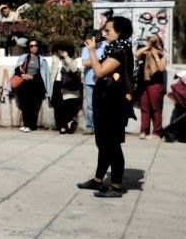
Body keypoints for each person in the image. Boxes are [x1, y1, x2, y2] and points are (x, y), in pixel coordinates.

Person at [77, 16, 135, 198]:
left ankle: (116, 185)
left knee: (113, 144)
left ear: (119, 33)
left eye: (108, 30)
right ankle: (98, 179)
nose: (105, 33)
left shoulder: (121, 50)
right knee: (103, 143)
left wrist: (92, 53)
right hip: (105, 101)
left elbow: (100, 71)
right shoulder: (114, 48)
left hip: (114, 104)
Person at [12, 38, 49, 132]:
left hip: (36, 84)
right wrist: (23, 75)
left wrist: (32, 77)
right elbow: (17, 70)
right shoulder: (23, 57)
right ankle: (26, 124)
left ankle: (31, 125)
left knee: (33, 106)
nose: (33, 47)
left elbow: (43, 74)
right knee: (24, 105)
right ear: (28, 47)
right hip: (23, 84)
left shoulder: (42, 60)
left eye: (35, 45)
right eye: (31, 46)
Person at [135, 34, 167, 139]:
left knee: (156, 109)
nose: (152, 43)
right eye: (150, 41)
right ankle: (144, 130)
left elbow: (161, 68)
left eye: (154, 41)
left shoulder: (161, 54)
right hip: (144, 83)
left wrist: (156, 56)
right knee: (144, 108)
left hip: (156, 84)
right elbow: (136, 54)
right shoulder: (145, 52)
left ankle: (157, 132)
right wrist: (147, 47)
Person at [48, 39, 83, 134]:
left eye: (62, 50)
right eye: (59, 50)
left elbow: (74, 69)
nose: (60, 52)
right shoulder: (55, 58)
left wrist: (67, 58)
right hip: (56, 83)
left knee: (67, 105)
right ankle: (61, 126)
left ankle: (68, 123)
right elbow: (52, 72)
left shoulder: (72, 58)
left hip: (67, 85)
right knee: (57, 106)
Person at [80, 34, 105, 133]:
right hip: (89, 80)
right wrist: (97, 60)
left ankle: (101, 127)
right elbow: (84, 63)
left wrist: (92, 60)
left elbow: (106, 61)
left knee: (102, 105)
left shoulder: (105, 46)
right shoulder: (86, 48)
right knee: (90, 106)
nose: (95, 43)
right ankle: (90, 127)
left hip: (102, 80)